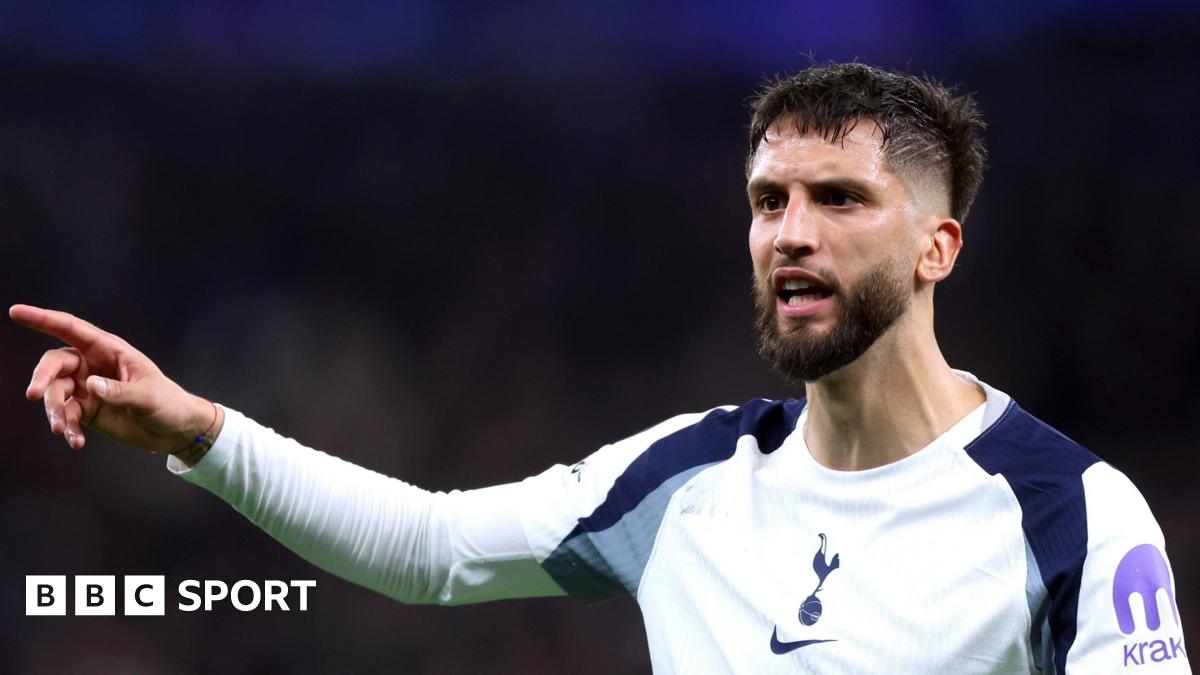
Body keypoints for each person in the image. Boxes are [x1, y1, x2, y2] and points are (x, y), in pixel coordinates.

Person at [12, 62, 1188, 673]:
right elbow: (429, 549)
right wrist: (200, 434)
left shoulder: (1075, 513)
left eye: (839, 199)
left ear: (938, 247)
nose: (790, 231)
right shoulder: (688, 480)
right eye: (767, 200)